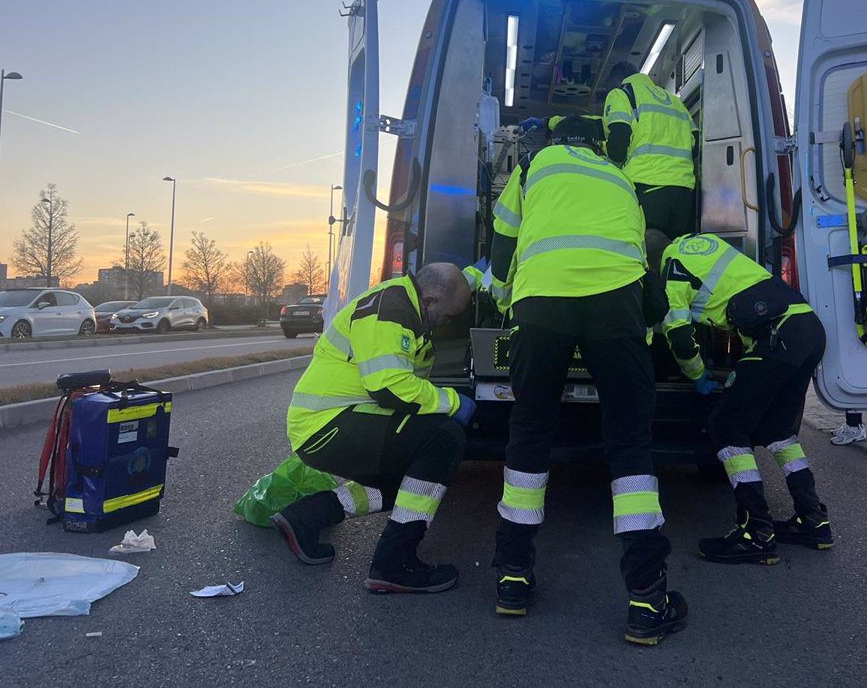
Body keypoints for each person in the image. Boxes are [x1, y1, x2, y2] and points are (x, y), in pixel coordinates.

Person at [489, 116, 687, 646]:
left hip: (540, 306)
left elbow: (503, 240)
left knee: (528, 432)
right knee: (630, 444)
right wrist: (646, 324)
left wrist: (505, 302)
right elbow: (643, 255)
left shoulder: (534, 165)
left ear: (556, 140)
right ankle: (647, 598)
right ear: (599, 144)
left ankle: (512, 578)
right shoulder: (620, 177)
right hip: (615, 306)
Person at [270, 263, 476, 594]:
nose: (448, 323)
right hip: (328, 424)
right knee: (443, 439)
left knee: (412, 485)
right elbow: (390, 387)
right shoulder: (391, 308)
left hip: (333, 422)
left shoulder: (408, 307)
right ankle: (395, 564)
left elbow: (408, 392)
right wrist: (453, 402)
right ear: (432, 300)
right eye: (449, 315)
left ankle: (308, 516)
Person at [647, 230, 834, 564]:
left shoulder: (670, 272)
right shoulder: (701, 244)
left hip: (777, 337)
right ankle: (813, 520)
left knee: (727, 426)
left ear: (650, 262)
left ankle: (756, 532)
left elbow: (679, 335)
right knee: (778, 430)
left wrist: (698, 375)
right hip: (807, 329)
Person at [603, 63, 698, 239]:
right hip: (684, 193)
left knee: (645, 252)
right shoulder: (675, 101)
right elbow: (696, 143)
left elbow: (619, 139)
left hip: (646, 186)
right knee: (674, 252)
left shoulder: (622, 93)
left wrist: (612, 174)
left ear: (617, 79)